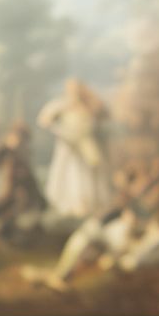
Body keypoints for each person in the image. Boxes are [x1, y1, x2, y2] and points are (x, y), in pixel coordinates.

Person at [37, 77, 114, 217]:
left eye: (77, 89)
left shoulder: (89, 106)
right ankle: (74, 206)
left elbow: (102, 116)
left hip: (86, 146)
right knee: (73, 175)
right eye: (71, 89)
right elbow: (44, 120)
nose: (74, 92)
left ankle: (88, 206)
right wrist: (60, 129)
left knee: (87, 175)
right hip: (69, 148)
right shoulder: (61, 105)